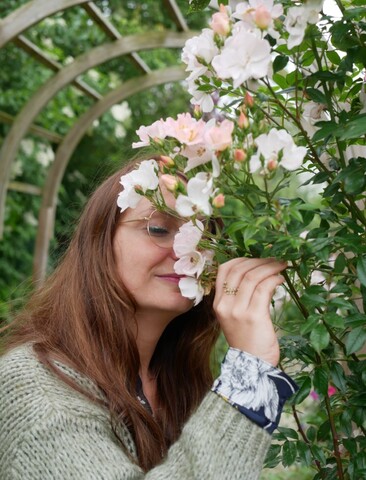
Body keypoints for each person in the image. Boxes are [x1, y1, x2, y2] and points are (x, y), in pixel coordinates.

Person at [0, 158, 297, 479]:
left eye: (204, 237)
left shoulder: (174, 377)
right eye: (158, 229)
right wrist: (248, 378)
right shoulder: (36, 389)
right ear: (100, 241)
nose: (186, 252)